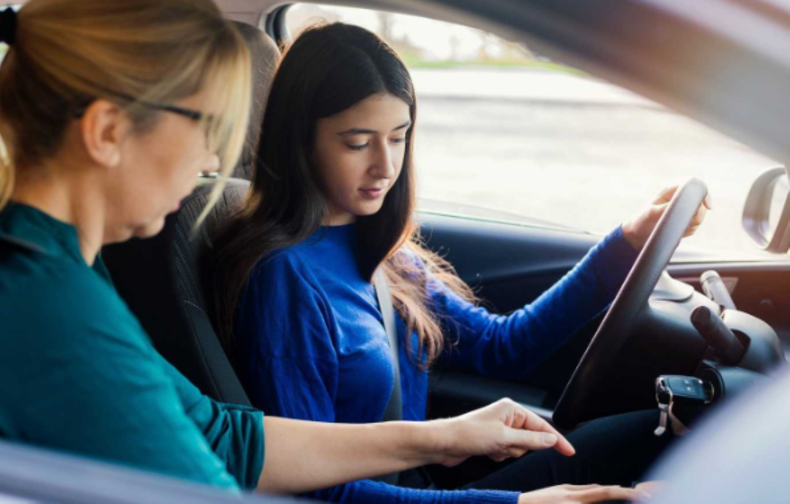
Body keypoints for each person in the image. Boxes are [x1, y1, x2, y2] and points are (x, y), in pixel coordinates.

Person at [0, 1, 592, 497]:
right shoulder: (46, 305)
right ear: (107, 132)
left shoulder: (70, 275)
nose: (212, 162)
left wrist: (446, 436)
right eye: (207, 130)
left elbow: (225, 437)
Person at [214, 22, 711, 503]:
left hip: (424, 485)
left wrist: (629, 241)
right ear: (301, 140)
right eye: (357, 142)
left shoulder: (383, 252)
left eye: (399, 136)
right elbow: (311, 490)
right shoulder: (285, 281)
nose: (385, 167)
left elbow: (504, 346)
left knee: (666, 432)